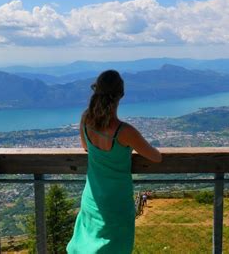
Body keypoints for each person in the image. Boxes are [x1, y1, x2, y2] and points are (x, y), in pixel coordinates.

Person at [66, 70, 162, 254]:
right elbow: (156, 157)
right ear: (121, 95)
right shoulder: (125, 132)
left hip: (92, 198)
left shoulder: (86, 120)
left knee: (86, 246)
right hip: (117, 202)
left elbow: (86, 146)